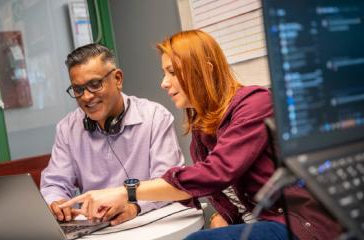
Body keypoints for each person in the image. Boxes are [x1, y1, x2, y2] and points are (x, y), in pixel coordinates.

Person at [60, 30, 342, 239]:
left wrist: (127, 192)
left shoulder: (255, 103)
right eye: (164, 73)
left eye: (172, 72)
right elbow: (212, 190)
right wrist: (224, 215)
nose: (164, 83)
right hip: (260, 223)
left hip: (298, 226)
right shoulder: (202, 125)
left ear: (203, 71)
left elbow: (216, 173)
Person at [40, 43, 184, 226]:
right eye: (78, 89)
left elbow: (168, 184)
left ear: (117, 79)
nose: (86, 97)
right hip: (97, 230)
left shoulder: (155, 117)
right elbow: (54, 183)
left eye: (95, 84)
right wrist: (57, 202)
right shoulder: (67, 129)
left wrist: (134, 206)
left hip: (150, 224)